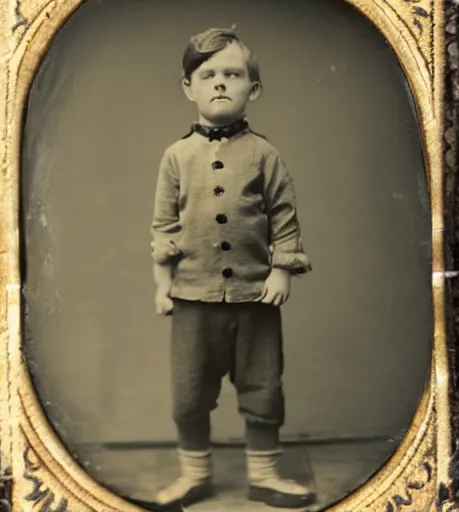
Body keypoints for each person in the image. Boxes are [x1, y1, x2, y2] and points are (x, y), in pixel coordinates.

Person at [150, 26, 314, 509]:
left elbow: (284, 218)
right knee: (189, 391)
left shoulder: (266, 155)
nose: (220, 83)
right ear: (189, 87)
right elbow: (163, 228)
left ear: (253, 88)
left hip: (256, 298)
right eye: (208, 74)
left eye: (233, 74)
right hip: (191, 298)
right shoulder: (176, 156)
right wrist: (163, 285)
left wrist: (281, 271)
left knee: (263, 387)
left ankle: (264, 477)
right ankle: (193, 476)